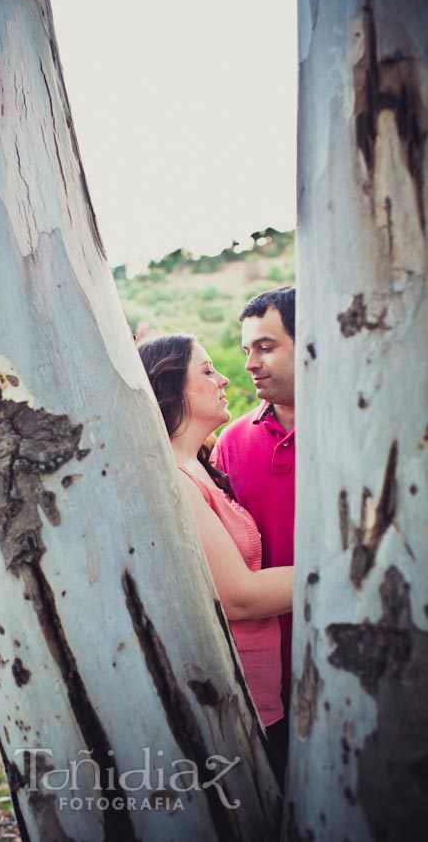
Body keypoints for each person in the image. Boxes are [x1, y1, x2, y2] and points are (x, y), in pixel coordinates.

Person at [139, 334, 293, 777]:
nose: (225, 378)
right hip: (231, 700)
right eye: (207, 371)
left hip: (261, 693)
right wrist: (352, 573)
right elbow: (238, 596)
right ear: (169, 388)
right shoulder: (174, 478)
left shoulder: (198, 468)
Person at [212, 287, 295, 708]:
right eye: (248, 349)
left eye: (266, 347)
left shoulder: (369, 429)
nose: (250, 364)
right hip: (262, 678)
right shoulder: (232, 441)